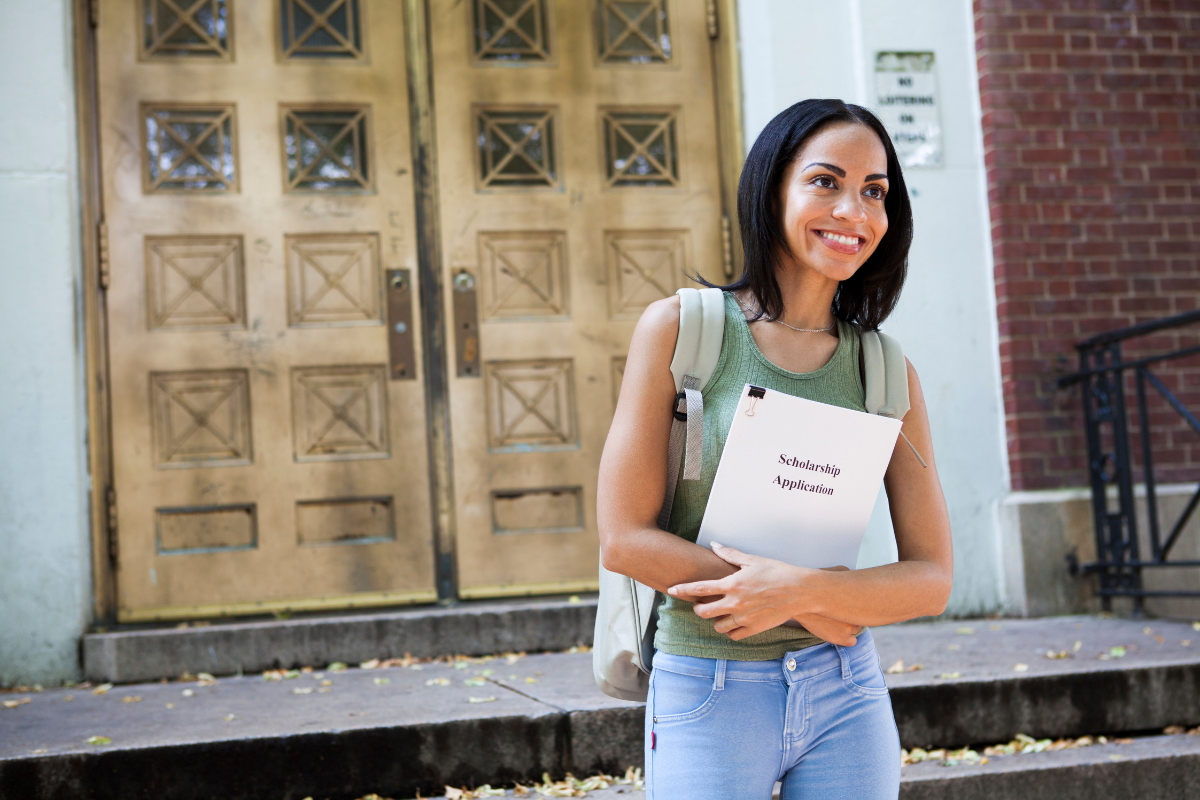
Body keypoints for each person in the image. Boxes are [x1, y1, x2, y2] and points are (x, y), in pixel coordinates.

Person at [596, 99, 954, 799]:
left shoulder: (884, 370)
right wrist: (814, 607)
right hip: (707, 686)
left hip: (847, 692)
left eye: (874, 191)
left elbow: (932, 577)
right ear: (771, 190)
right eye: (825, 181)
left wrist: (802, 594)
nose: (854, 210)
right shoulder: (681, 330)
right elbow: (624, 539)